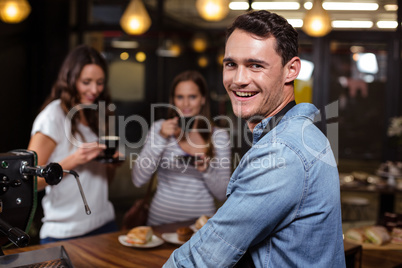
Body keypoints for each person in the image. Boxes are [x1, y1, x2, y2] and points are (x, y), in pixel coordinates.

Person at [164, 10, 345, 267]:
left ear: (291, 70)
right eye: (231, 64)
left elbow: (205, 256)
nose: (238, 80)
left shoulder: (283, 151)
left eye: (255, 65)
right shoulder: (301, 133)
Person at [28, 44, 119, 244]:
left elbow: (101, 182)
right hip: (63, 232)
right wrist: (75, 159)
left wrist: (111, 162)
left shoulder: (97, 114)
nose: (94, 90)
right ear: (70, 79)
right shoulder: (53, 116)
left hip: (105, 224)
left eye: (100, 82)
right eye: (86, 82)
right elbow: (29, 182)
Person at [131, 70, 231, 226]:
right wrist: (160, 138)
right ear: (173, 100)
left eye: (192, 97)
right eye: (180, 97)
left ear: (203, 99)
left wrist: (207, 170)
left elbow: (223, 194)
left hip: (201, 226)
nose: (185, 104)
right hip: (160, 222)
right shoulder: (159, 128)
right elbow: (138, 180)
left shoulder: (219, 136)